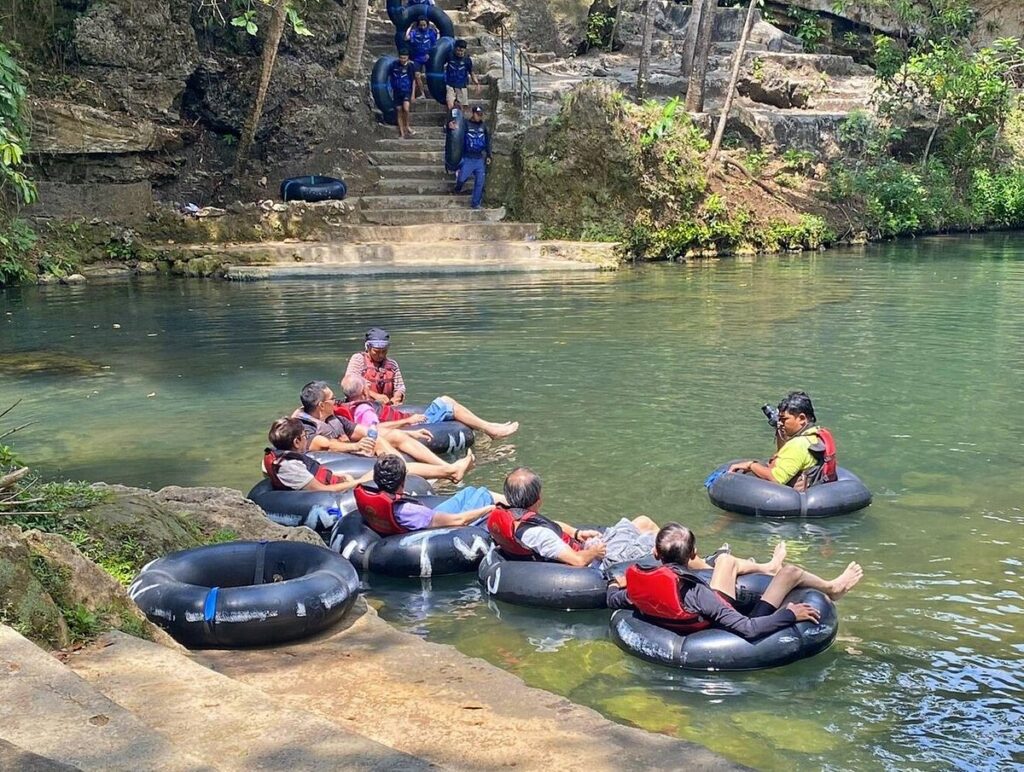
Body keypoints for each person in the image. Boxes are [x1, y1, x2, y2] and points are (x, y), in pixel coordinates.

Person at [607, 523, 863, 640]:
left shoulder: (641, 588)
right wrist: (790, 614)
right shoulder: (698, 593)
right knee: (791, 573)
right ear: (693, 555)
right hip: (714, 628)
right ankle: (833, 588)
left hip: (692, 615)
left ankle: (768, 567)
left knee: (726, 562)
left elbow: (611, 598)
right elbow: (749, 629)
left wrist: (616, 582)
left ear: (655, 555)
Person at [294, 380, 475, 483]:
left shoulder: (334, 418)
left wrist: (409, 432)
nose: (337, 401)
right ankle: (449, 472)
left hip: (352, 451)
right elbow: (327, 445)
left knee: (393, 436)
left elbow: (367, 430)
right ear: (321, 405)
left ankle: (446, 468)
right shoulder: (306, 428)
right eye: (333, 399)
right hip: (336, 462)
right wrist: (357, 445)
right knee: (390, 458)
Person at [486, 467, 660, 569]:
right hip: (601, 562)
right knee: (651, 533)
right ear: (538, 499)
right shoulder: (539, 535)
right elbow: (578, 561)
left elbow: (552, 525)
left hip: (584, 548)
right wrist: (595, 551)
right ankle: (682, 564)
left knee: (643, 522)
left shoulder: (514, 517)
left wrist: (577, 533)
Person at [355, 454, 500, 535]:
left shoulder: (375, 498)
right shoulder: (410, 511)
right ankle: (515, 505)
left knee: (469, 492)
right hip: (436, 529)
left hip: (424, 519)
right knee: (483, 494)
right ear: (403, 480)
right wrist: (489, 509)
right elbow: (459, 521)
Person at [339, 374, 519, 439]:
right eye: (366, 385)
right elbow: (374, 429)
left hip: (408, 422)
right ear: (363, 390)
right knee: (446, 403)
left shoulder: (355, 404)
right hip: (412, 426)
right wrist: (409, 420)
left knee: (445, 400)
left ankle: (489, 427)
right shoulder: (364, 409)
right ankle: (491, 430)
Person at [728, 391, 838, 492]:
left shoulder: (798, 445)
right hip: (818, 489)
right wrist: (780, 432)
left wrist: (750, 465)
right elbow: (786, 455)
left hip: (792, 500)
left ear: (802, 418)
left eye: (784, 419)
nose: (780, 423)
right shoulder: (815, 435)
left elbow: (776, 479)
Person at [262, 417, 366, 492]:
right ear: (296, 442)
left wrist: (343, 477)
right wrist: (359, 482)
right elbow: (322, 491)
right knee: (368, 480)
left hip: (334, 482)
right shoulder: (290, 467)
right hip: (328, 496)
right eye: (304, 435)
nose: (306, 438)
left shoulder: (284, 457)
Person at [344, 327, 406, 405]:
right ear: (368, 348)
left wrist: (397, 397)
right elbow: (348, 385)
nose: (380, 355)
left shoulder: (392, 364)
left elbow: (400, 387)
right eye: (376, 351)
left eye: (384, 351)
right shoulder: (358, 359)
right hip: (361, 406)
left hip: (387, 408)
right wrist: (375, 396)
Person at [454, 105, 491, 210]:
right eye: (477, 114)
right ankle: (457, 188)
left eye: (480, 115)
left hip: (479, 158)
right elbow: (458, 137)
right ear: (473, 113)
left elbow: (488, 141)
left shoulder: (483, 126)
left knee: (480, 181)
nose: (479, 117)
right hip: (468, 157)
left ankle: (475, 203)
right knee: (461, 179)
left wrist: (489, 155)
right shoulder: (466, 124)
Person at [406, 18, 439, 100]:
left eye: (424, 25)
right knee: (417, 75)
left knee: (432, 74)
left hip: (428, 57)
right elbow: (407, 38)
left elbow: (435, 44)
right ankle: (422, 93)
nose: (423, 27)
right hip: (417, 57)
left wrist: (429, 54)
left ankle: (435, 93)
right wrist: (409, 27)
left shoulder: (431, 32)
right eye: (421, 25)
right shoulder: (414, 32)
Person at [388, 49, 417, 139]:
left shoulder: (410, 66)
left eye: (404, 58)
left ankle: (407, 126)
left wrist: (413, 94)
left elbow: (413, 80)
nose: (402, 59)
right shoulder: (394, 65)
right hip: (397, 91)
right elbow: (390, 77)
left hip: (406, 91)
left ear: (407, 58)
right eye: (401, 57)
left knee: (406, 108)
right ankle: (402, 132)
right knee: (399, 110)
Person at [444, 39, 479, 110]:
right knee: (450, 104)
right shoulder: (449, 56)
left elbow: (471, 72)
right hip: (450, 85)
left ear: (465, 50)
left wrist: (477, 84)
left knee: (462, 107)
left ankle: (460, 119)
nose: (459, 52)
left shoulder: (467, 60)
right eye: (458, 50)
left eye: (461, 51)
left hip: (462, 85)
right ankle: (451, 119)